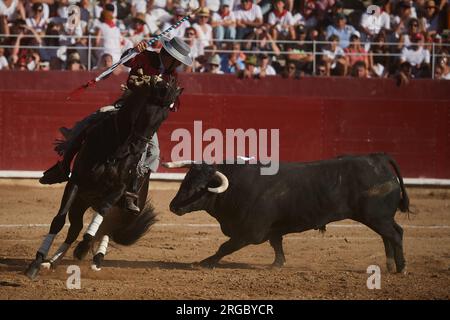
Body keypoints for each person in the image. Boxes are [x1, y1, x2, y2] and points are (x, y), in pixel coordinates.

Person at [40, 36, 193, 214]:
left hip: (145, 122)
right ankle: (63, 167)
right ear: (168, 55)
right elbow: (126, 61)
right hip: (126, 106)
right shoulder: (146, 57)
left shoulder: (172, 76)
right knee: (90, 121)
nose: (177, 65)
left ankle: (132, 191)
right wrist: (134, 50)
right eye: (176, 61)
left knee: (154, 153)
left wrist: (169, 99)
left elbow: (176, 104)